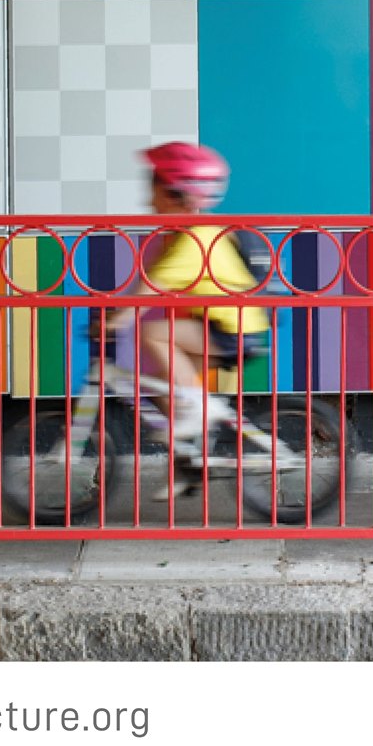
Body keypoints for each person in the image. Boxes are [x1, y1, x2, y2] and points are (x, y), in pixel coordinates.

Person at [100, 141, 271, 499]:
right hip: (223, 326)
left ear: (176, 194)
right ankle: (191, 466)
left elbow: (147, 291)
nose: (149, 203)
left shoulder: (195, 239)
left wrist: (115, 321)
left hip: (231, 328)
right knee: (168, 392)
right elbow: (148, 280)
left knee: (155, 335)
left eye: (154, 193)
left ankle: (197, 411)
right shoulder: (186, 234)